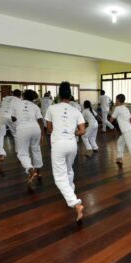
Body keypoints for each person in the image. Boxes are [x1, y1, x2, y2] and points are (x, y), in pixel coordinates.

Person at [45, 82, 85, 222]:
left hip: (58, 145)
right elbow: (82, 131)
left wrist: (57, 129)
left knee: (59, 177)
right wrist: (72, 131)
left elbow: (49, 128)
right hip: (72, 144)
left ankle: (75, 203)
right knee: (68, 169)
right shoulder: (76, 110)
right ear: (71, 95)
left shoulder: (51, 108)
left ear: (58, 95)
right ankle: (71, 190)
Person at [11, 90, 44, 184]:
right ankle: (39, 172)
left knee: (22, 153)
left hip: (23, 129)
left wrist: (17, 123)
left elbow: (12, 118)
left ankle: (31, 170)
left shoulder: (16, 104)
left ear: (23, 96)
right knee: (36, 149)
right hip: (36, 128)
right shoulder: (35, 106)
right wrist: (42, 134)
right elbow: (40, 120)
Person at [110, 94, 131, 173]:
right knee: (120, 142)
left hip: (127, 131)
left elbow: (111, 119)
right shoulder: (125, 108)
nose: (115, 101)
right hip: (129, 130)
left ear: (118, 101)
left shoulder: (117, 108)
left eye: (116, 100)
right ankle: (119, 158)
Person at [0, 89, 22, 165]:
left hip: (1, 116)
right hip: (11, 117)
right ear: (20, 95)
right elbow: (18, 112)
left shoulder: (6, 98)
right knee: (16, 135)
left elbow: (3, 105)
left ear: (13, 94)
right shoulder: (19, 101)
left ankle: (1, 153)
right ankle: (19, 153)